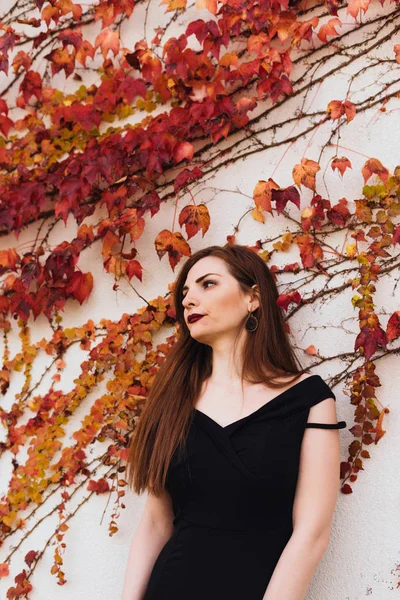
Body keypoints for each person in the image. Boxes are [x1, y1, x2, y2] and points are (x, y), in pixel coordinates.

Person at [121, 243, 346, 600]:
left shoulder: (308, 400)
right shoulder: (173, 399)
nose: (189, 300)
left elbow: (312, 533)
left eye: (207, 284)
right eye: (185, 293)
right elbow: (154, 522)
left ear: (252, 298)